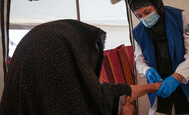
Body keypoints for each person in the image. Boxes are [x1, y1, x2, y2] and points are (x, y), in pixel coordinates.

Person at [0, 19, 162, 115]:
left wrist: (152, 87)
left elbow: (109, 94)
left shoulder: (59, 89)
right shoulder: (68, 103)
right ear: (61, 59)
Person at [127, 0, 189, 115]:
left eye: (147, 12)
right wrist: (147, 70)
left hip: (187, 81)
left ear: (156, 4)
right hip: (161, 86)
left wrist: (177, 77)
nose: (144, 18)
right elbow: (139, 60)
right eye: (139, 16)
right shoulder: (138, 32)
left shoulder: (179, 17)